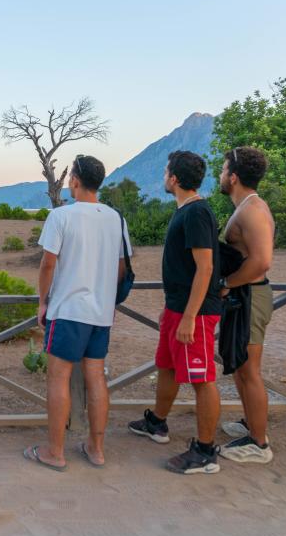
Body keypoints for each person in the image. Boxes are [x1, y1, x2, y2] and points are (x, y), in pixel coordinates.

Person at [23, 155, 131, 471]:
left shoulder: (61, 216)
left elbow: (48, 264)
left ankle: (55, 452)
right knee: (96, 378)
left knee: (58, 378)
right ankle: (96, 449)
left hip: (68, 310)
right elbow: (121, 267)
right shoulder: (116, 218)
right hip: (101, 312)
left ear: (74, 180)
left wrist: (43, 301)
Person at [128, 150, 223, 475]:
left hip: (195, 314)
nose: (164, 177)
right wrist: (172, 309)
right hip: (177, 308)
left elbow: (205, 267)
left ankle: (206, 452)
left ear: (175, 178)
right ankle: (157, 422)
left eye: (166, 171)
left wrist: (189, 317)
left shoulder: (197, 213)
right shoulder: (185, 211)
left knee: (201, 379)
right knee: (166, 365)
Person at [215, 147, 276, 464]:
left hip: (251, 295)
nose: (220, 175)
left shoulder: (252, 210)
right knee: (241, 365)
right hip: (245, 294)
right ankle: (252, 423)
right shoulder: (246, 206)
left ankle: (259, 443)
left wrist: (228, 283)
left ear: (234, 176)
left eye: (223, 169)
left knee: (250, 370)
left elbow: (262, 261)